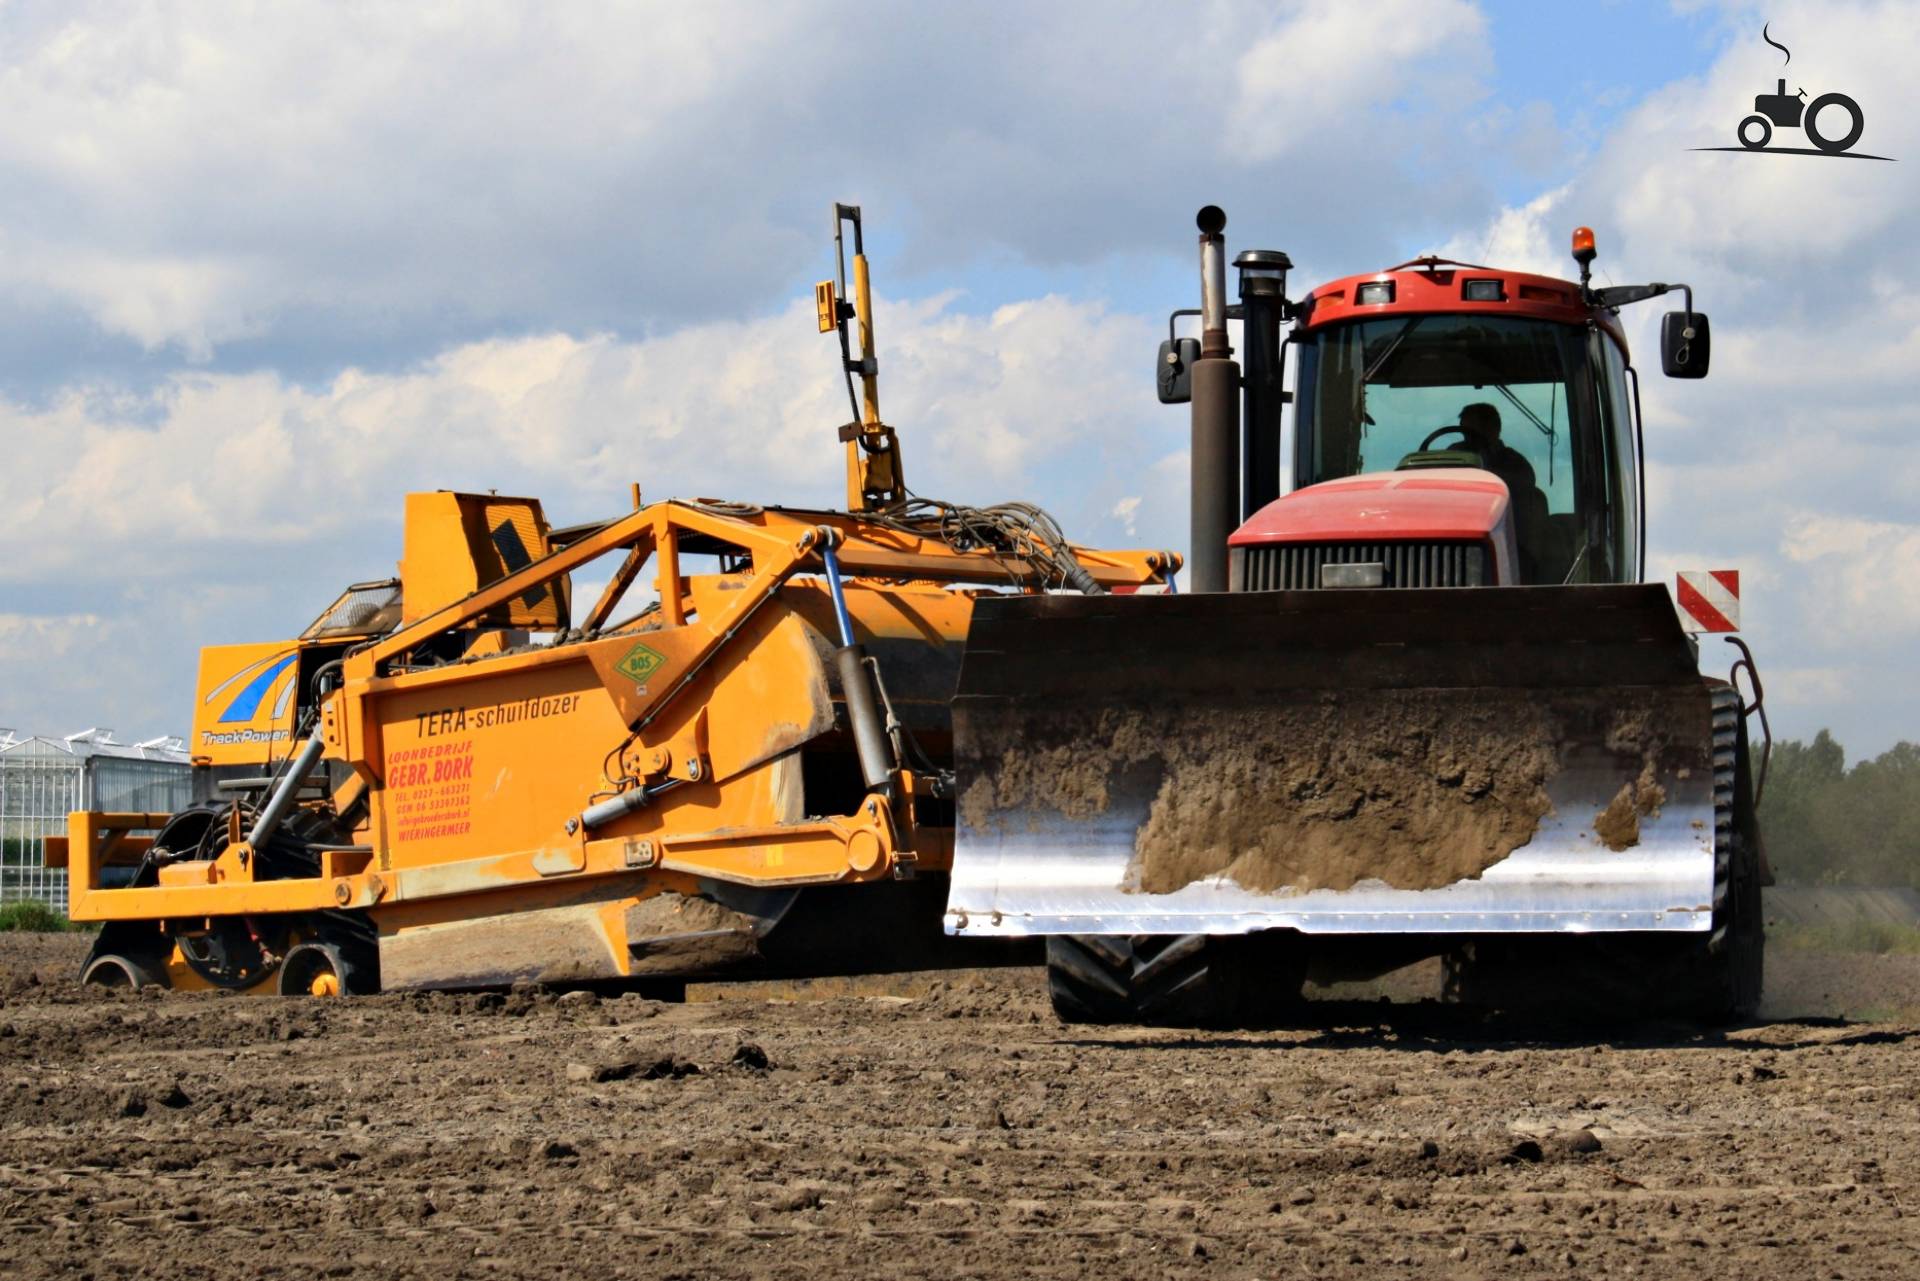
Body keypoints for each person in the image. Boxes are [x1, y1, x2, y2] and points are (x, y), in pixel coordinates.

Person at [1457, 402, 1550, 581]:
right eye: (1465, 433)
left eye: (1475, 433)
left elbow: (1522, 490)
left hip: (1507, 543)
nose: (1468, 440)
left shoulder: (1515, 464)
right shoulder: (1452, 454)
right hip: (1458, 539)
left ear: (1494, 430)